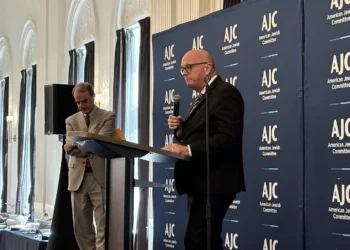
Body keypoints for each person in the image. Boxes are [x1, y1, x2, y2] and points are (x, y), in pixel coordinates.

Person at [163, 49, 245, 250]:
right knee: (206, 240)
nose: (184, 72)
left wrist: (187, 149)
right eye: (182, 68)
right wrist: (181, 129)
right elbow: (199, 135)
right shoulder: (201, 96)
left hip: (216, 181)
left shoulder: (226, 93)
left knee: (197, 240)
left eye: (188, 67)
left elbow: (228, 138)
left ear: (207, 68)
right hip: (199, 180)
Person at [64, 82, 116, 250]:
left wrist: (77, 146)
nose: (81, 106)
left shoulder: (108, 116)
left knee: (102, 225)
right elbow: (70, 149)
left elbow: (100, 144)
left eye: (85, 101)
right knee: (81, 228)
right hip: (77, 178)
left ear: (93, 97)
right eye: (78, 102)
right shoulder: (70, 121)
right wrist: (84, 145)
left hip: (99, 176)